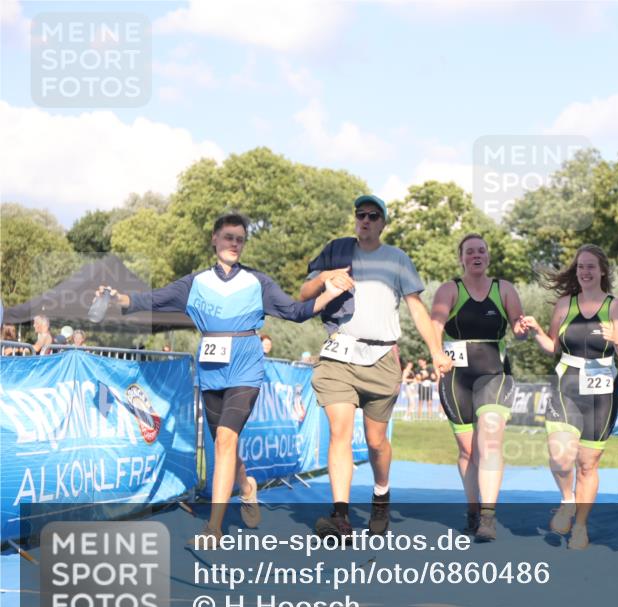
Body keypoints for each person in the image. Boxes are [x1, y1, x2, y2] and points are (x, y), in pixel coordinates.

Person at [98, 212, 345, 544]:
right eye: (229, 237)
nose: (234, 244)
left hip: (246, 366)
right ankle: (246, 485)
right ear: (215, 239)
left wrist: (327, 293)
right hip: (211, 370)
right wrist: (116, 298)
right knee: (223, 444)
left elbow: (295, 312)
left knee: (227, 440)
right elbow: (149, 300)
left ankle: (213, 527)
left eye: (240, 239)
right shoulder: (194, 283)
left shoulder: (258, 282)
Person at [300, 194, 451, 541]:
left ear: (382, 223)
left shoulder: (396, 259)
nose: (365, 220)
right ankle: (340, 516)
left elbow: (416, 309)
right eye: (360, 215)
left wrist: (436, 352)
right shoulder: (337, 252)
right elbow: (303, 293)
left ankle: (381, 495)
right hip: (339, 354)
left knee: (376, 441)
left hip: (382, 359)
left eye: (372, 216)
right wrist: (327, 277)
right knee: (339, 431)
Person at [520, 244, 618, 549]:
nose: (585, 272)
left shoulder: (615, 307)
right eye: (580, 267)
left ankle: (580, 526)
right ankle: (567, 500)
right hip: (566, 384)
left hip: (602, 391)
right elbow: (554, 346)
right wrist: (535, 331)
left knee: (587, 464)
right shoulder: (565, 304)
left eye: (591, 267)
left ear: (602, 271)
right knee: (559, 457)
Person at [430, 233, 528, 541]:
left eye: (481, 251)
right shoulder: (450, 289)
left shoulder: (504, 289)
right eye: (470, 251)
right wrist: (435, 354)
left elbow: (518, 329)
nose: (476, 255)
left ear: (488, 257)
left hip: (494, 374)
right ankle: (472, 510)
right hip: (455, 376)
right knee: (468, 449)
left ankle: (488, 517)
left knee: (490, 442)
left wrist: (524, 330)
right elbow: (434, 325)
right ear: (461, 258)